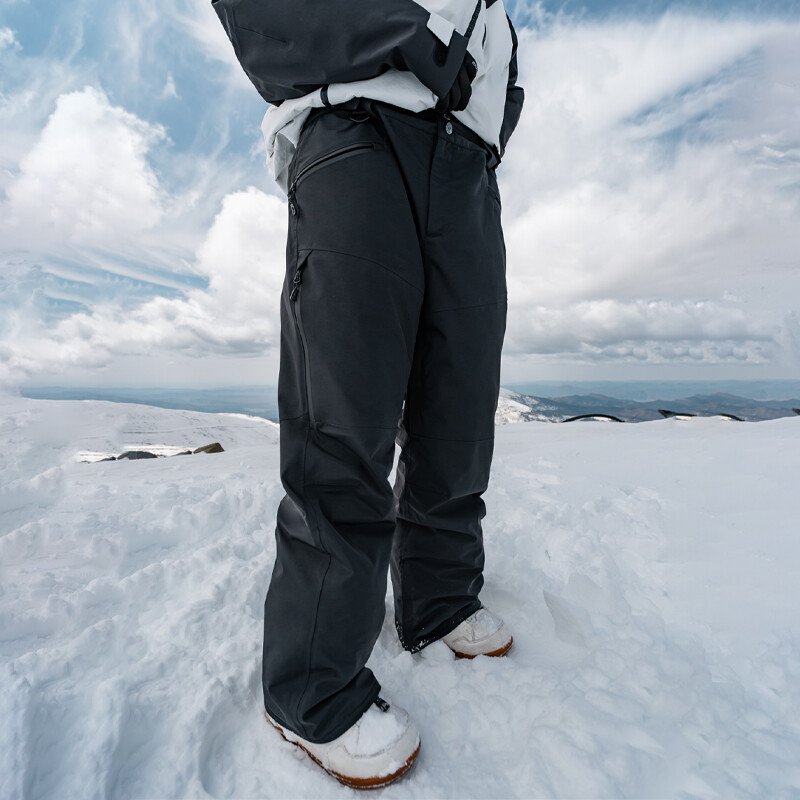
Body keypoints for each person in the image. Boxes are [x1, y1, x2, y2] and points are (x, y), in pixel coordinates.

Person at [212, 0, 524, 788]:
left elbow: (495, 86)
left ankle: (439, 601)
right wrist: (408, 32)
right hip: (356, 134)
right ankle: (311, 691)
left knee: (460, 407)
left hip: (467, 171)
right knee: (345, 415)